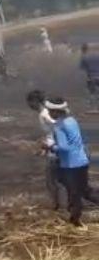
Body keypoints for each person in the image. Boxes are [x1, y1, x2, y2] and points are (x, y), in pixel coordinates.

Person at [45, 98, 95, 229]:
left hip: (70, 164)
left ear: (56, 111)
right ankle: (75, 217)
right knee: (85, 191)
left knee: (74, 193)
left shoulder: (59, 126)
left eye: (50, 111)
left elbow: (64, 147)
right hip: (82, 161)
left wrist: (50, 146)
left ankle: (76, 221)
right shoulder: (72, 120)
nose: (48, 113)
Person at [81, 44, 99, 112]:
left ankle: (92, 108)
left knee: (91, 93)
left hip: (91, 77)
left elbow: (83, 70)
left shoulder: (84, 57)